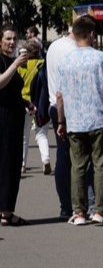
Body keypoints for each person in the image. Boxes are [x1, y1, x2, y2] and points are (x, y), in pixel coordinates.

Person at [55, 16, 103, 226]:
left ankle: (78, 212)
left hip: (75, 121)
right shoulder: (100, 58)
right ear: (91, 35)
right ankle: (100, 210)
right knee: (100, 166)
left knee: (77, 167)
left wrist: (61, 122)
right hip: (99, 118)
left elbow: (60, 96)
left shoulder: (66, 61)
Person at [0, 24, 29, 226]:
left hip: (15, 117)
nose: (12, 43)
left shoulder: (11, 60)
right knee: (5, 163)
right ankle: (5, 211)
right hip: (3, 119)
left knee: (12, 163)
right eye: (8, 39)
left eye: (14, 39)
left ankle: (7, 209)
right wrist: (16, 64)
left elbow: (13, 92)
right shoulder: (6, 62)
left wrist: (27, 103)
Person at [18, 38, 51, 175]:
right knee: (41, 133)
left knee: (24, 136)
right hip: (40, 102)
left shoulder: (20, 66)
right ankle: (46, 159)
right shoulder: (43, 64)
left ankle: (23, 165)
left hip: (23, 102)